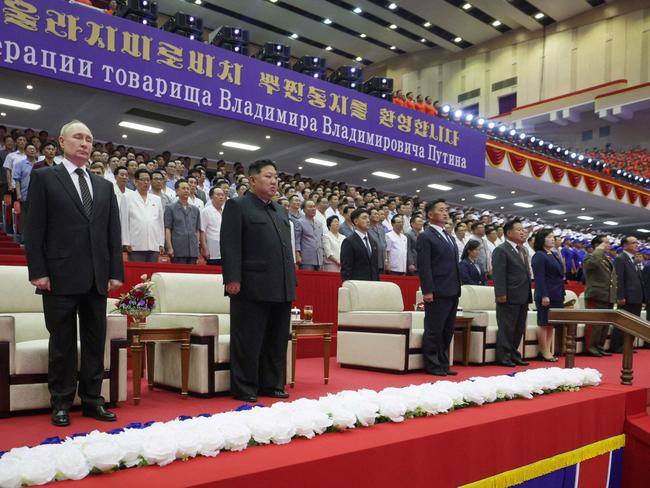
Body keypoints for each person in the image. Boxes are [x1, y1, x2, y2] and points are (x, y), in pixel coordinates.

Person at [24, 120, 123, 427]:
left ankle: (93, 400)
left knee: (95, 342)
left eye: (89, 139)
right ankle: (62, 401)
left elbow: (112, 233)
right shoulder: (44, 178)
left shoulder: (104, 187)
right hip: (59, 276)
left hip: (96, 277)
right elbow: (34, 227)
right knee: (63, 343)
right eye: (78, 138)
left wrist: (114, 271)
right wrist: (38, 271)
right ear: (62, 142)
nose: (85, 143)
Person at [220, 159, 296, 403]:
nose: (274, 181)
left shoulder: (280, 210)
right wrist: (232, 278)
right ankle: (245, 387)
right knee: (248, 339)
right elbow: (230, 244)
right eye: (268, 176)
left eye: (276, 177)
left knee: (276, 339)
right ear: (252, 180)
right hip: (251, 285)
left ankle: (272, 384)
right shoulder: (238, 206)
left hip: (281, 284)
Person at [416, 199, 461, 376]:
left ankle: (443, 363)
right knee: (434, 329)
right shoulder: (426, 236)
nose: (445, 213)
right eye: (441, 210)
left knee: (447, 329)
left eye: (446, 209)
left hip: (452, 289)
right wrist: (427, 290)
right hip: (437, 290)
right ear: (430, 214)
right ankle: (432, 364)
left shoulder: (449, 236)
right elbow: (424, 266)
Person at [491, 219, 532, 367]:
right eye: (519, 229)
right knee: (507, 328)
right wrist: (500, 293)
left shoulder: (523, 250)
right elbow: (499, 274)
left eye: (523, 229)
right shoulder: (501, 250)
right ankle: (504, 356)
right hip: (508, 295)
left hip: (522, 295)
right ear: (508, 233)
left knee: (518, 328)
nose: (523, 232)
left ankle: (514, 354)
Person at [531, 229, 564, 362]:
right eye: (549, 237)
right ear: (542, 239)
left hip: (557, 294)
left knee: (551, 324)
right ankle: (544, 351)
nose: (552, 239)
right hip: (546, 294)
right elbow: (540, 278)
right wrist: (544, 295)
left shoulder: (554, 254)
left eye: (553, 237)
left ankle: (548, 349)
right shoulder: (539, 255)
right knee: (544, 323)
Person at [583, 235, 616, 356]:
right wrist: (598, 251)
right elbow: (590, 265)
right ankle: (590, 347)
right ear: (597, 245)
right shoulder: (591, 257)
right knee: (594, 323)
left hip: (607, 295)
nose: (608, 245)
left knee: (604, 324)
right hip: (596, 295)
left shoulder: (606, 259)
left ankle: (599, 346)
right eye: (605, 243)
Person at [612, 236, 645, 353]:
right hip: (627, 297)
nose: (637, 245)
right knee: (623, 322)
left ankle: (627, 345)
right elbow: (619, 279)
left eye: (637, 242)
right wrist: (620, 296)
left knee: (633, 323)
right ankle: (617, 346)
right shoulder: (621, 258)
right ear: (625, 245)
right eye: (633, 243)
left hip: (636, 297)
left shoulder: (632, 259)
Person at [123, 169, 164, 262]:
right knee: (137, 274)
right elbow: (124, 221)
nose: (146, 182)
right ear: (135, 182)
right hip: (135, 244)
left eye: (148, 180)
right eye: (143, 180)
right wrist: (126, 242)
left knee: (152, 274)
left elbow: (160, 223)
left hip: (154, 244)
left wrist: (161, 243)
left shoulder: (157, 199)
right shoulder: (127, 197)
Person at [164, 179, 201, 264]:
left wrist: (196, 247)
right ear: (177, 191)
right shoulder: (170, 208)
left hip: (192, 249)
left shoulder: (195, 209)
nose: (186, 190)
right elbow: (168, 229)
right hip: (178, 249)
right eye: (183, 188)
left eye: (188, 188)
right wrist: (169, 247)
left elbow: (197, 230)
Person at [340, 208, 379, 282]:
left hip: (373, 286)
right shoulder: (349, 242)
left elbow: (375, 268)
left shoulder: (373, 242)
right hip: (357, 285)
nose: (368, 220)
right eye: (364, 218)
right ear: (356, 221)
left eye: (368, 218)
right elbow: (346, 269)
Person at [294, 200, 325, 270]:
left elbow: (321, 240)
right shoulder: (299, 222)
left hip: (319, 258)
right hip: (306, 258)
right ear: (304, 210)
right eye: (310, 207)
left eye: (314, 206)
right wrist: (297, 255)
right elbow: (297, 240)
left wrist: (323, 257)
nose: (313, 209)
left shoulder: (319, 223)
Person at [200, 187, 226, 265]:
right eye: (218, 195)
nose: (221, 197)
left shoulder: (227, 210)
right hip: (212, 251)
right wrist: (204, 248)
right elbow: (202, 231)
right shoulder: (206, 211)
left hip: (225, 250)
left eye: (222, 195)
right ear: (211, 197)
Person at [369, 208, 387, 274]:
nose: (377, 216)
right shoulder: (367, 229)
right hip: (372, 261)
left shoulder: (381, 229)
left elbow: (384, 245)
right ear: (369, 216)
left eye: (377, 214)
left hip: (382, 262)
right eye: (375, 214)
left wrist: (386, 259)